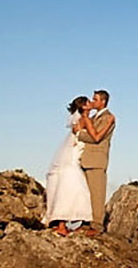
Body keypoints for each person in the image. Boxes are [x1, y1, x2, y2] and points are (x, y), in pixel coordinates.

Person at [41, 96, 95, 236]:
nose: (91, 103)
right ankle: (62, 225)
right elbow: (95, 137)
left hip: (71, 154)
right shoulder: (86, 120)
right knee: (73, 190)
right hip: (73, 158)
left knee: (65, 188)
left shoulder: (76, 121)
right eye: (89, 102)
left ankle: (60, 223)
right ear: (83, 107)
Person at [78, 89, 116, 234]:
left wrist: (79, 135)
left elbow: (96, 137)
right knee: (86, 193)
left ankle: (97, 225)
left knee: (97, 193)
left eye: (95, 99)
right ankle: (87, 222)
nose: (92, 102)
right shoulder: (93, 116)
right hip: (86, 159)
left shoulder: (108, 117)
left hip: (97, 159)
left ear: (103, 101)